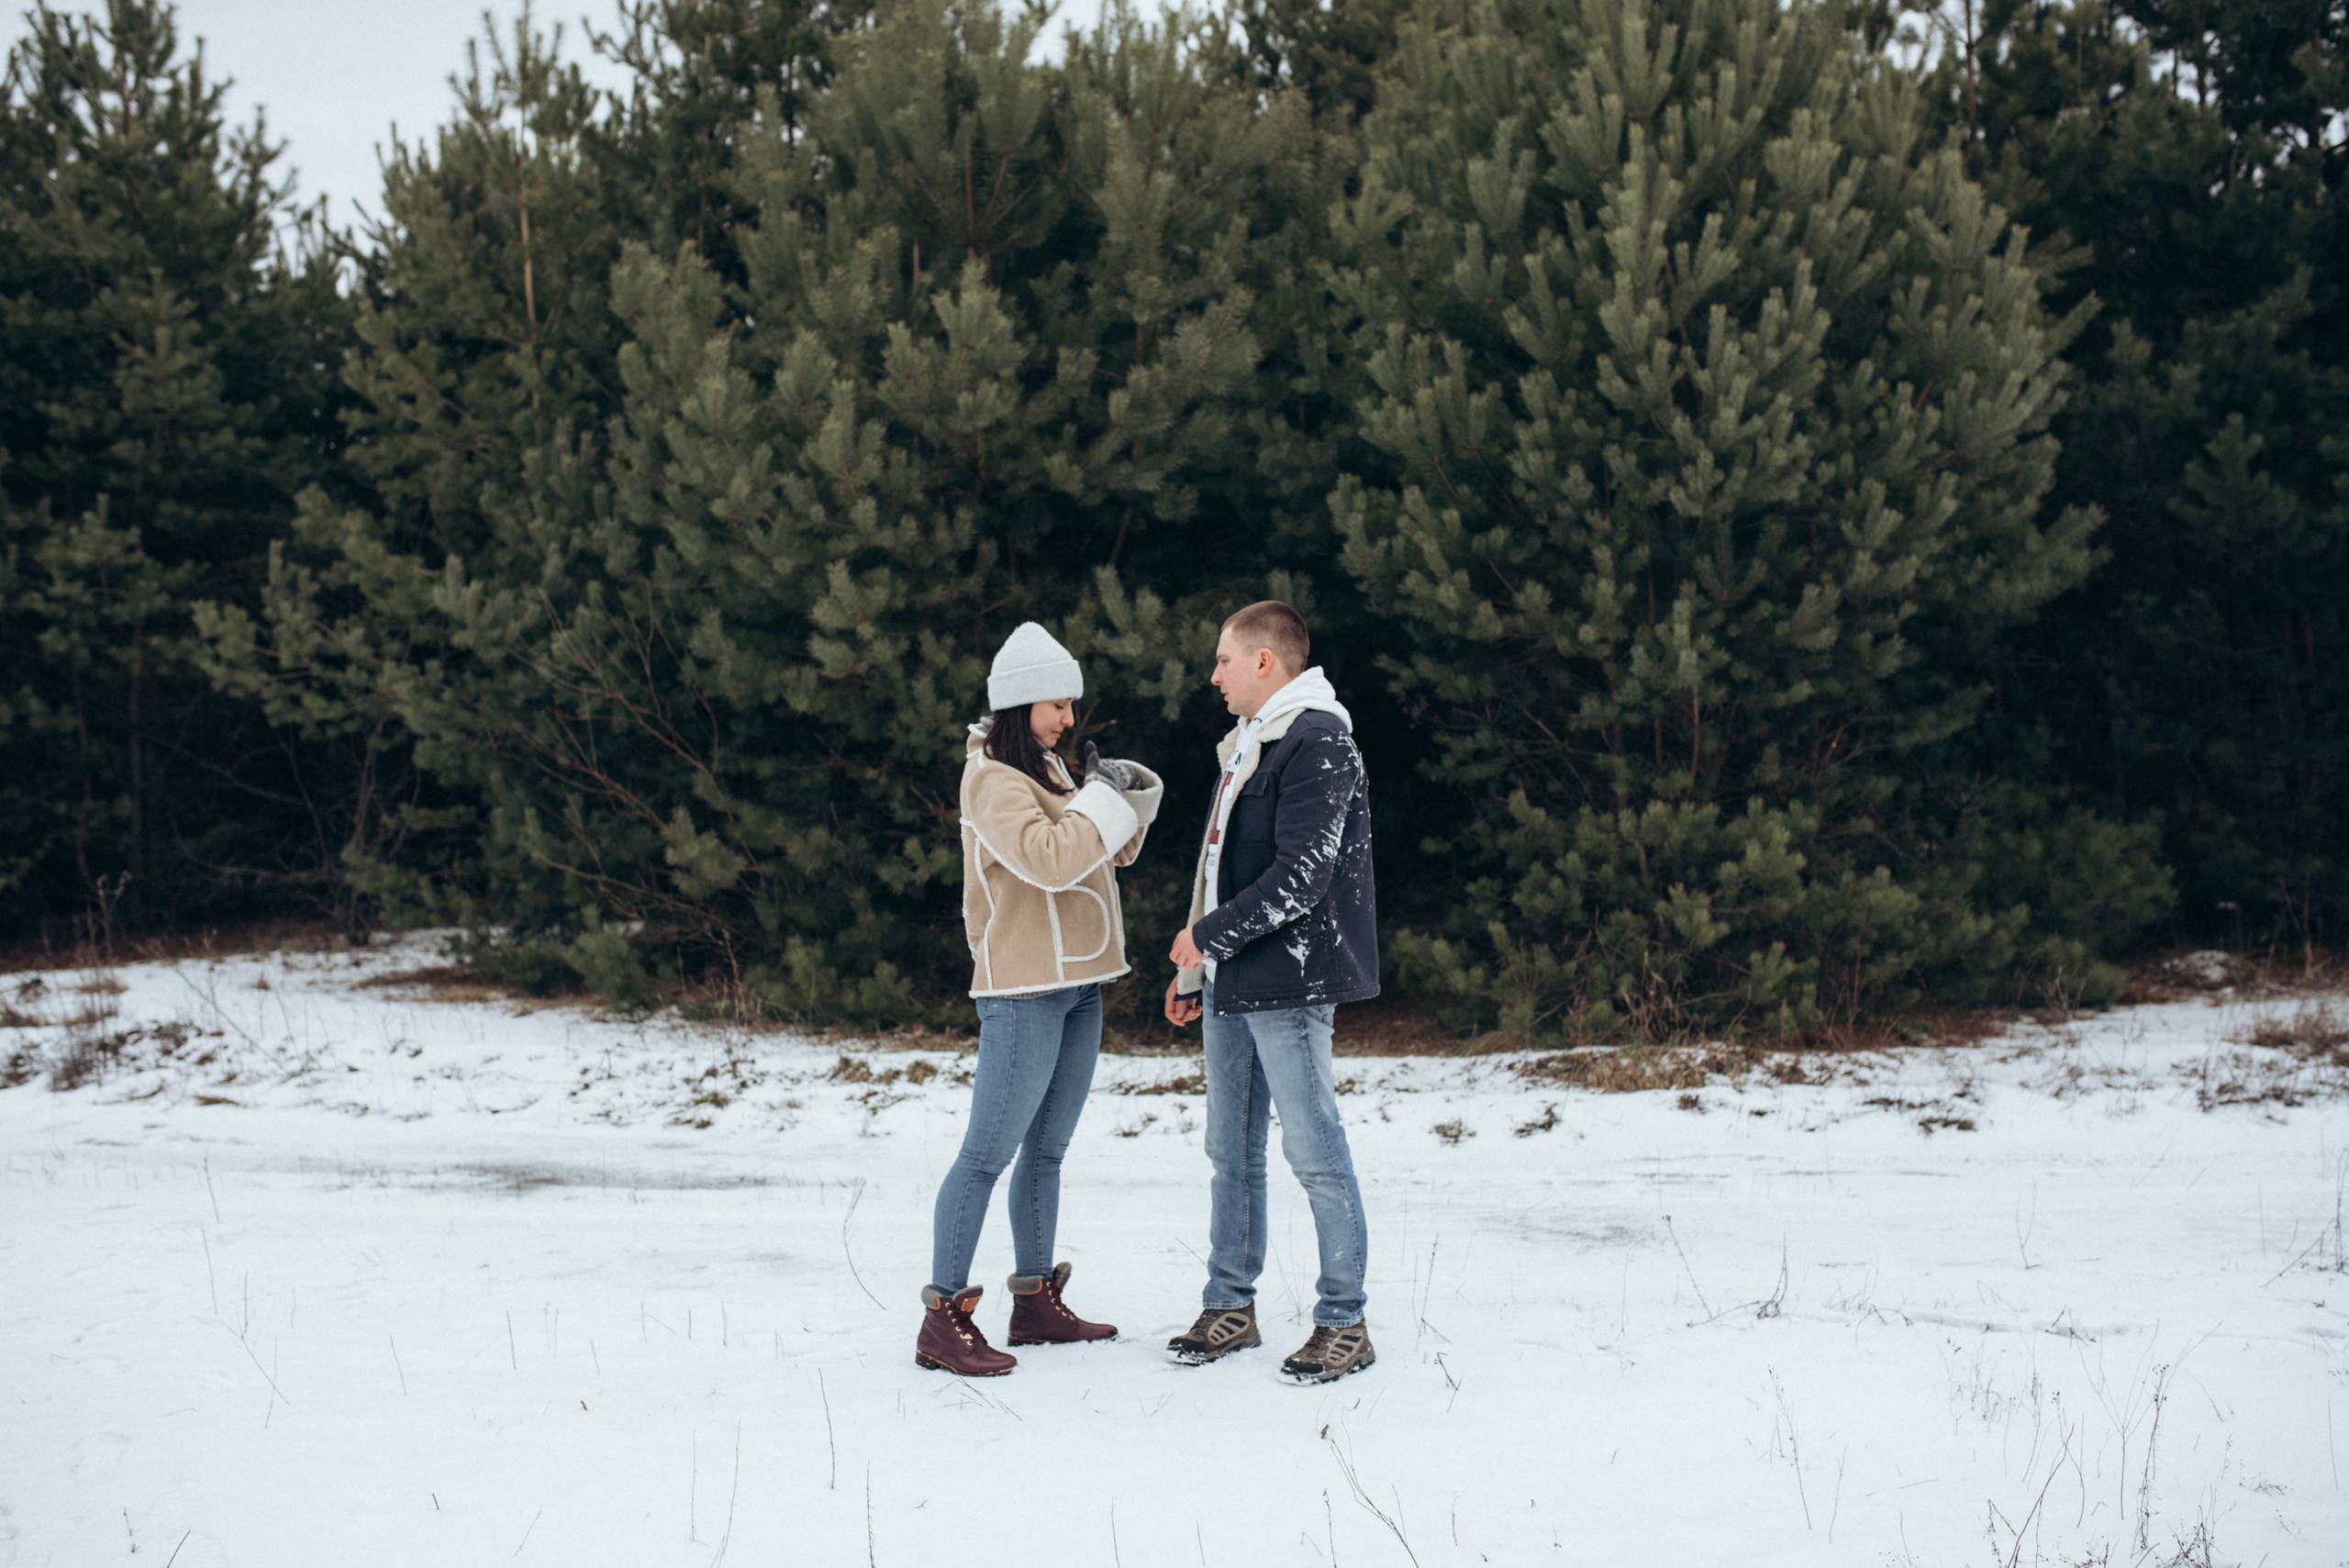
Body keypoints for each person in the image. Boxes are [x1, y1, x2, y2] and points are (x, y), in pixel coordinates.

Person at [917, 621, 1165, 1377]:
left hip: (1081, 983)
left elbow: (1114, 849)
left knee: (1047, 1150)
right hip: (1024, 990)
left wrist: (1123, 788)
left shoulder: (1052, 769)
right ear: (1021, 703)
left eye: (1070, 704)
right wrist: (1095, 802)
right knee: (986, 1155)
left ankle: (1033, 1300)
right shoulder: (990, 779)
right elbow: (1052, 861)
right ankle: (944, 1318)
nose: (1067, 718)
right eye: (1057, 704)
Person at [1160, 602, 1380, 1385]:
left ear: (1265, 662)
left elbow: (1302, 875)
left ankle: (1344, 1319)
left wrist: (1211, 937)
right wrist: (1198, 968)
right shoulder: (1254, 742)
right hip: (1233, 980)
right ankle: (1230, 1303)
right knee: (1231, 1151)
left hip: (1289, 979)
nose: (1213, 675)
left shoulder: (1318, 740)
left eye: (1224, 659)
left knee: (1313, 1147)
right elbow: (1217, 864)